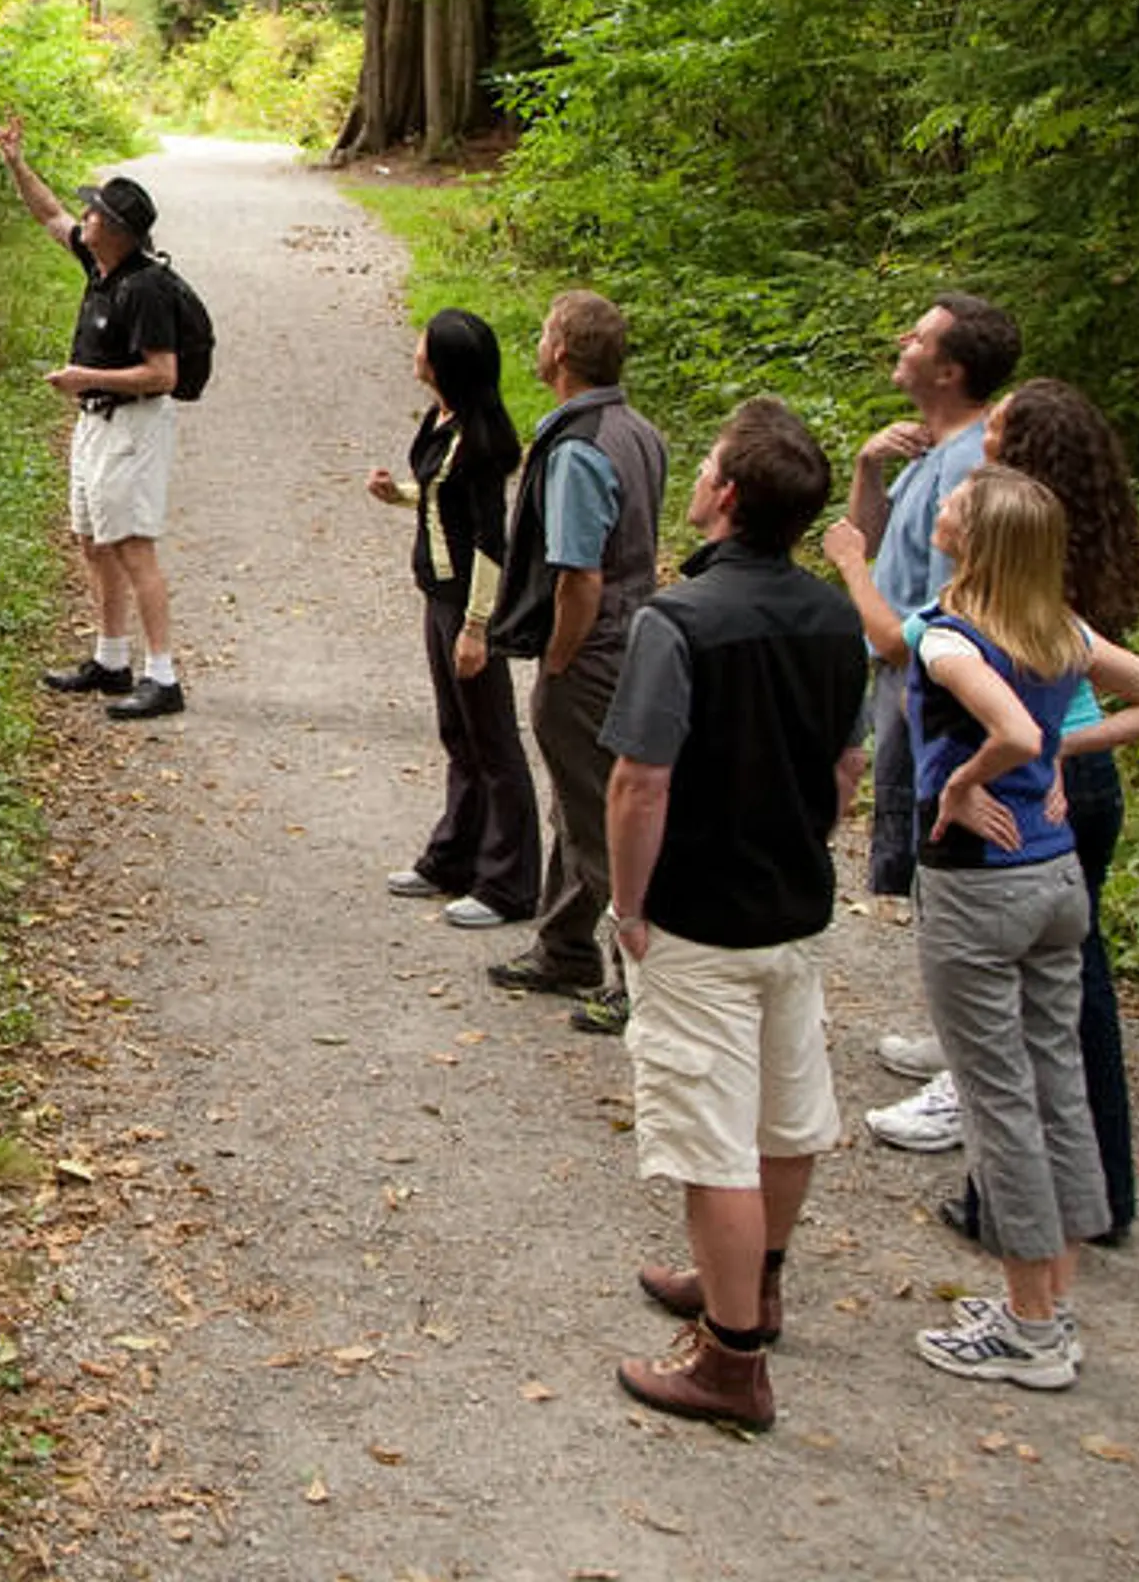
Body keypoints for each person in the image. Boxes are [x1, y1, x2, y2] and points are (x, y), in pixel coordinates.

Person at [889, 467, 1139, 1389]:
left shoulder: (951, 643)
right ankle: (1051, 1306)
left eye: (956, 504)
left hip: (981, 889)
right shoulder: (1060, 629)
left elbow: (1014, 733)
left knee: (997, 1100)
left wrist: (966, 780)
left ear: (975, 540)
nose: (942, 503)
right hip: (1057, 875)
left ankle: (1025, 1326)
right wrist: (1061, 746)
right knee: (1055, 1080)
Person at [603, 399, 874, 1430]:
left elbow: (641, 780)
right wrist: (809, 837)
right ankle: (750, 1283)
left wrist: (629, 906)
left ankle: (731, 1362)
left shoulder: (680, 621)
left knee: (713, 1138)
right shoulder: (836, 614)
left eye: (710, 466)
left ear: (721, 496)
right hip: (793, 905)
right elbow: (849, 762)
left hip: (702, 915)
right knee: (784, 1115)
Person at [924, 380, 1139, 1250]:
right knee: (1067, 999)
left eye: (996, 430)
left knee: (1028, 1024)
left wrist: (1030, 756)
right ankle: (1092, 1196)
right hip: (1069, 770)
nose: (979, 441)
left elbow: (1020, 714)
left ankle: (1023, 1218)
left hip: (1032, 785)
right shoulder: (1072, 548)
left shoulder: (1016, 560)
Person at [839, 291, 1023, 1150]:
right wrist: (869, 470)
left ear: (949, 369)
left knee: (950, 865)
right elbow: (871, 544)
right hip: (905, 680)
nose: (901, 343)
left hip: (937, 689)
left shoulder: (970, 466)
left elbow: (943, 606)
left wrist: (861, 597)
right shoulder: (925, 453)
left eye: (916, 337)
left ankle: (968, 1076)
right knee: (923, 861)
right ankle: (951, 1037)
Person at [477, 290, 668, 1031]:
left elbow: (580, 576)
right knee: (578, 797)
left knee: (597, 814)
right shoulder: (637, 430)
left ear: (560, 352)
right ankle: (564, 946)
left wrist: (558, 660)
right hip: (634, 636)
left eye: (545, 332)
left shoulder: (580, 449)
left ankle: (635, 980)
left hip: (593, 651)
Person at [0, 117, 186, 721]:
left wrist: (86, 379)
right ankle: (111, 660)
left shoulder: (144, 288)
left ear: (121, 232)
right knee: (91, 540)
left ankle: (163, 676)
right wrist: (17, 164)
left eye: (97, 214)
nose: (86, 219)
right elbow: (50, 216)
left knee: (132, 547)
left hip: (132, 427)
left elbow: (164, 375)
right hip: (95, 425)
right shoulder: (97, 264)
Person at [367, 311, 534, 925]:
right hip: (438, 596)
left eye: (423, 345)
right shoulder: (444, 421)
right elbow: (444, 495)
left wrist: (476, 627)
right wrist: (400, 496)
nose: (414, 350)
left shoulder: (480, 442)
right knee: (458, 733)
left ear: (443, 364)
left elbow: (491, 541)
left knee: (493, 741)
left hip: (466, 603)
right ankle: (454, 856)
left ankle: (509, 883)